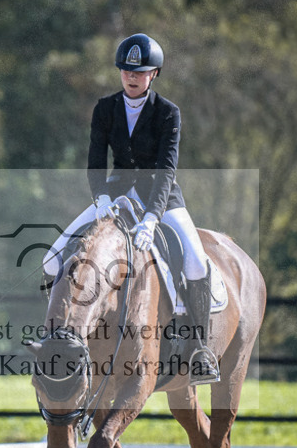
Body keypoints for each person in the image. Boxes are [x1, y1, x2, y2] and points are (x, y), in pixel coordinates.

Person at [43, 32, 219, 384]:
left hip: (161, 197)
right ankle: (58, 337)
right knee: (50, 259)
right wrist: (101, 199)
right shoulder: (105, 109)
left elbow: (166, 170)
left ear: (154, 74)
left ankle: (200, 350)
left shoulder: (168, 113)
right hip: (115, 195)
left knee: (197, 262)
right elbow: (96, 161)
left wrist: (152, 219)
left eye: (139, 72)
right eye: (126, 70)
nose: (131, 77)